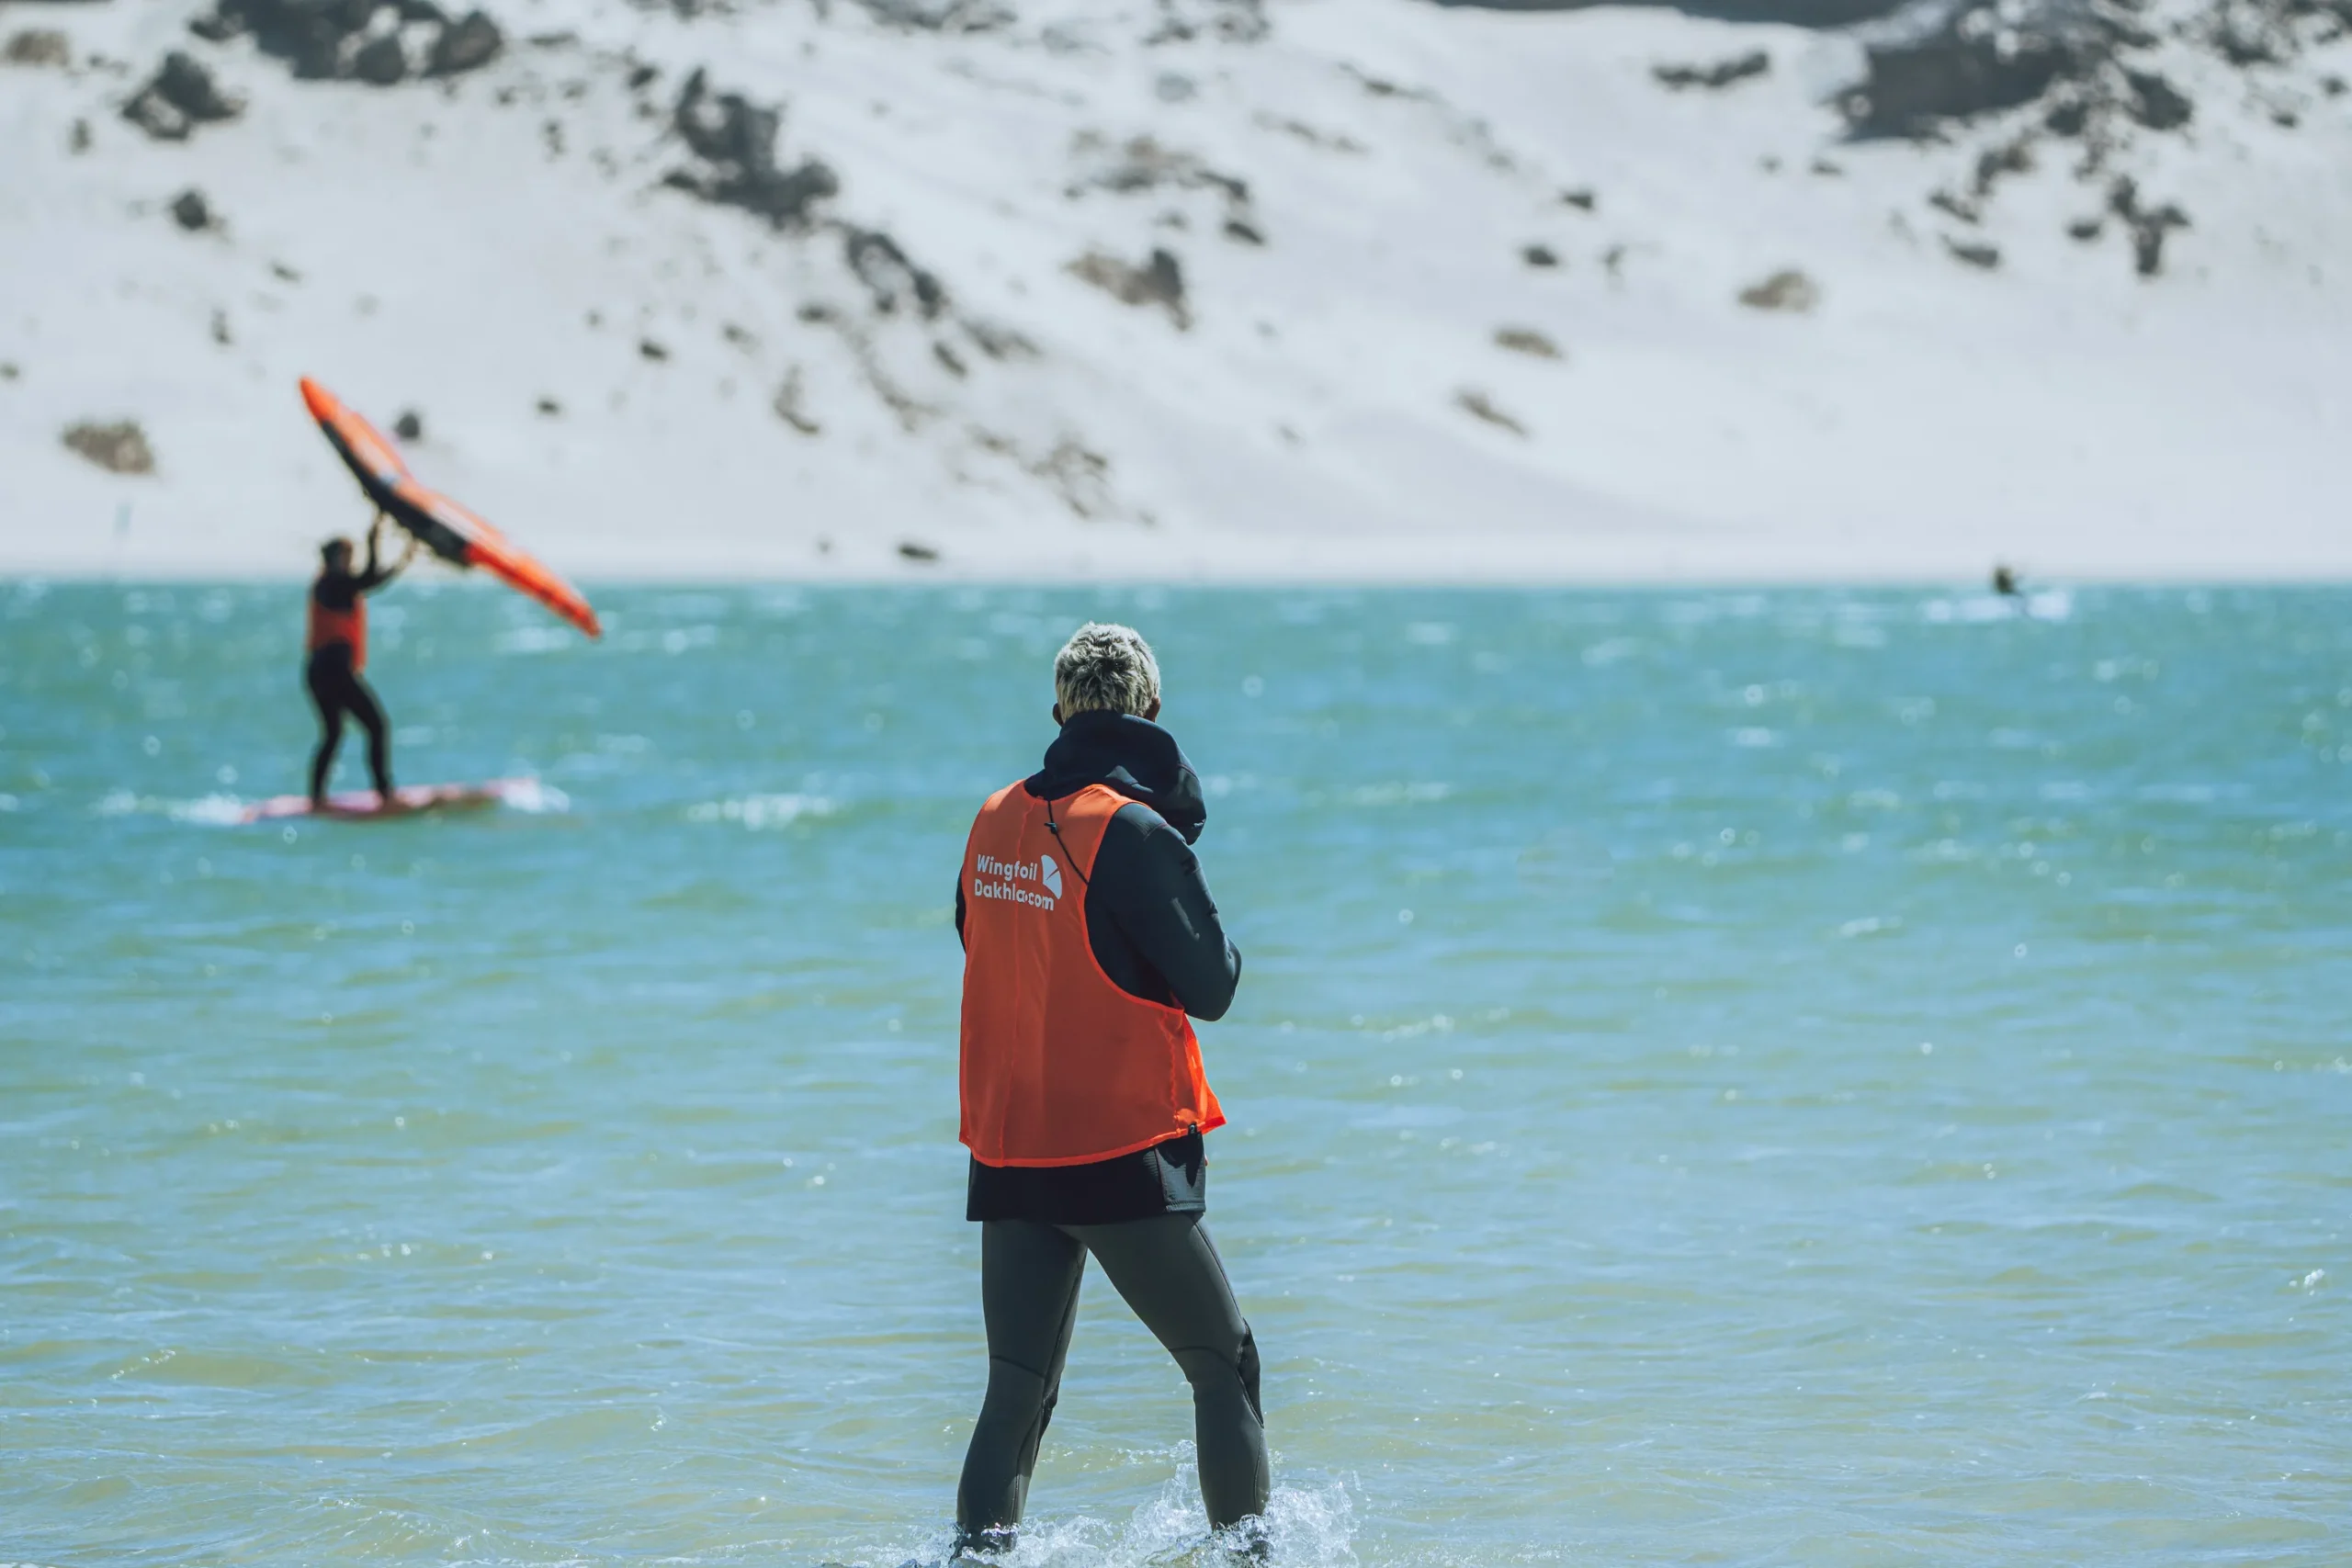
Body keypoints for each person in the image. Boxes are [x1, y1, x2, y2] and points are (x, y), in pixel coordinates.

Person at [952, 623, 1267, 1555]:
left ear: (1058, 713)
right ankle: (1249, 1556)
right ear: (1153, 711)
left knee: (1017, 1389)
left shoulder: (993, 814)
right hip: (1118, 1157)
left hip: (1009, 1154)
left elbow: (984, 940)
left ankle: (975, 1556)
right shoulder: (1131, 829)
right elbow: (1214, 987)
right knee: (1224, 1366)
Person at [306, 513, 417, 807]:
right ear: (332, 558)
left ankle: (317, 798)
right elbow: (365, 579)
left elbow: (370, 581)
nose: (349, 561)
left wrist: (402, 561)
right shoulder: (331, 584)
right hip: (332, 671)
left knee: (333, 733)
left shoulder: (335, 584)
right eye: (346, 556)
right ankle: (384, 792)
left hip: (320, 672)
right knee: (377, 726)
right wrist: (373, 541)